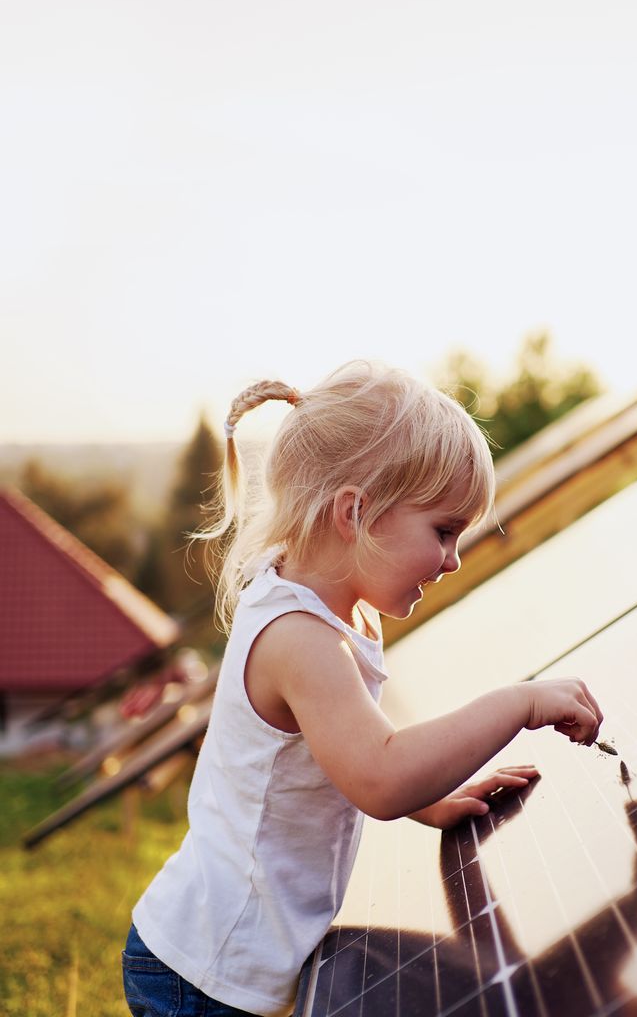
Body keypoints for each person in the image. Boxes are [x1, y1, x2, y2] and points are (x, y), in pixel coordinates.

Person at [122, 360, 604, 1017]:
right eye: (442, 531)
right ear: (356, 513)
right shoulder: (300, 639)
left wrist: (430, 800)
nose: (453, 558)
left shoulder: (338, 613)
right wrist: (516, 703)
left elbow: (343, 756)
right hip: (204, 972)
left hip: (222, 960)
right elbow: (378, 777)